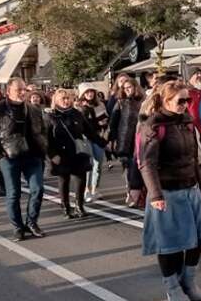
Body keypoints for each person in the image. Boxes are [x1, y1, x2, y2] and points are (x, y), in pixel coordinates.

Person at [139, 80, 201, 301]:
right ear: (165, 100)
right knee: (170, 244)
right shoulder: (154, 125)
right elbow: (147, 163)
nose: (185, 104)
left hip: (191, 187)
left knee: (199, 238)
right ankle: (172, 286)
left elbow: (197, 150)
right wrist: (155, 195)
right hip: (167, 192)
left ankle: (188, 280)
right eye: (180, 100)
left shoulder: (187, 122)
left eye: (188, 100)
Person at [0, 77, 49, 241]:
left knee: (38, 189)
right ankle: (18, 227)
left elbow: (43, 130)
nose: (23, 93)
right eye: (19, 90)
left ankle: (32, 222)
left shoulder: (33, 109)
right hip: (9, 157)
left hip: (33, 156)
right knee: (13, 194)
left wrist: (43, 148)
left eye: (24, 89)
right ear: (8, 91)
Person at [46, 89, 105, 218]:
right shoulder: (51, 116)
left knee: (81, 179)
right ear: (55, 100)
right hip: (61, 153)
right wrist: (52, 154)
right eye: (63, 98)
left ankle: (79, 206)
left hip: (78, 151)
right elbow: (47, 138)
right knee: (64, 180)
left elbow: (89, 132)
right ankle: (66, 207)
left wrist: (103, 143)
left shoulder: (77, 113)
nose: (66, 101)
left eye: (68, 98)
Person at [108, 76, 145, 205]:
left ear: (135, 87)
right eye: (125, 88)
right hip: (125, 138)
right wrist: (112, 139)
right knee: (129, 167)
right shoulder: (120, 102)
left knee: (142, 166)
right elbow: (113, 122)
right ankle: (131, 193)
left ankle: (141, 194)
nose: (127, 90)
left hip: (140, 137)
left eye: (129, 87)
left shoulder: (143, 101)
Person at [80, 86, 109, 201]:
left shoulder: (100, 105)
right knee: (89, 164)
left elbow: (106, 121)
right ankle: (86, 189)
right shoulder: (80, 107)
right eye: (87, 92)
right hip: (86, 138)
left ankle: (95, 188)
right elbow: (82, 126)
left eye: (91, 91)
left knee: (98, 164)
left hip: (99, 136)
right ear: (83, 94)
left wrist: (105, 136)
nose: (89, 94)